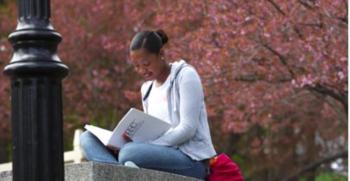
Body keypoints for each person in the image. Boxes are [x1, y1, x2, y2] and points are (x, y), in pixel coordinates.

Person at [79, 29, 217, 179]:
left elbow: (188, 128)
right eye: (136, 66)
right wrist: (123, 142)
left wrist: (147, 146)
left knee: (129, 153)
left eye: (146, 64)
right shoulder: (147, 89)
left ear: (161, 54)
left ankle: (121, 172)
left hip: (191, 160)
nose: (142, 70)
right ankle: (121, 174)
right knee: (87, 139)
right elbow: (149, 130)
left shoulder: (185, 76)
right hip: (153, 152)